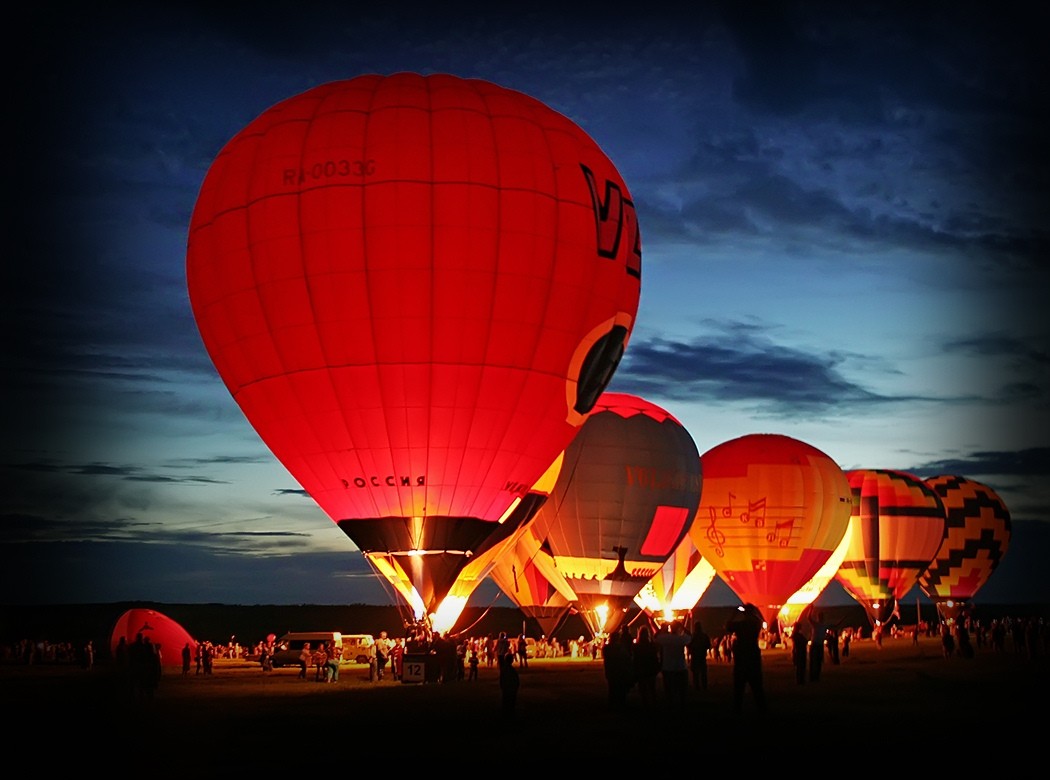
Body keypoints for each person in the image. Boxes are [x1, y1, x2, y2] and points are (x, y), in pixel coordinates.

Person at [726, 603, 766, 715]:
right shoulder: (756, 624)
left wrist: (735, 613)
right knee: (757, 688)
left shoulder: (740, 625)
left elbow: (728, 625)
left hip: (741, 659)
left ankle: (737, 710)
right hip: (753, 658)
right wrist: (753, 611)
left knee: (738, 689)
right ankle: (762, 710)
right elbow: (759, 620)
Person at [653, 620, 691, 706]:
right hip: (681, 668)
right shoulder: (681, 639)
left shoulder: (665, 638)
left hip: (668, 668)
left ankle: (670, 706)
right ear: (678, 628)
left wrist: (662, 628)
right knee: (682, 690)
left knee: (669, 690)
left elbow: (655, 637)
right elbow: (690, 636)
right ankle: (682, 706)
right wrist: (682, 626)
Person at [602, 625, 635, 708]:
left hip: (610, 670)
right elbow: (626, 657)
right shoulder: (620, 647)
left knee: (612, 688)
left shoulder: (606, 648)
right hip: (619, 670)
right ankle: (621, 703)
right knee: (620, 688)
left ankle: (612, 703)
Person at [632, 625, 661, 708]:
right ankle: (654, 703)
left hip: (641, 669)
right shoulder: (652, 645)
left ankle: (645, 704)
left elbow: (635, 658)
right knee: (652, 687)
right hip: (650, 669)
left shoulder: (636, 646)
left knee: (643, 689)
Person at [687, 621, 711, 690]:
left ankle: (697, 686)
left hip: (695, 656)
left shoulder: (693, 636)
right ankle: (704, 686)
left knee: (695, 673)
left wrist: (689, 656)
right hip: (702, 656)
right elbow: (708, 645)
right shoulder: (704, 636)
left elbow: (689, 646)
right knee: (703, 673)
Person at [498, 651, 520, 716]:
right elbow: (516, 680)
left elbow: (501, 680)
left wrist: (502, 687)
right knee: (511, 702)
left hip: (506, 688)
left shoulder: (504, 669)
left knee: (506, 702)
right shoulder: (512, 670)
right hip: (511, 689)